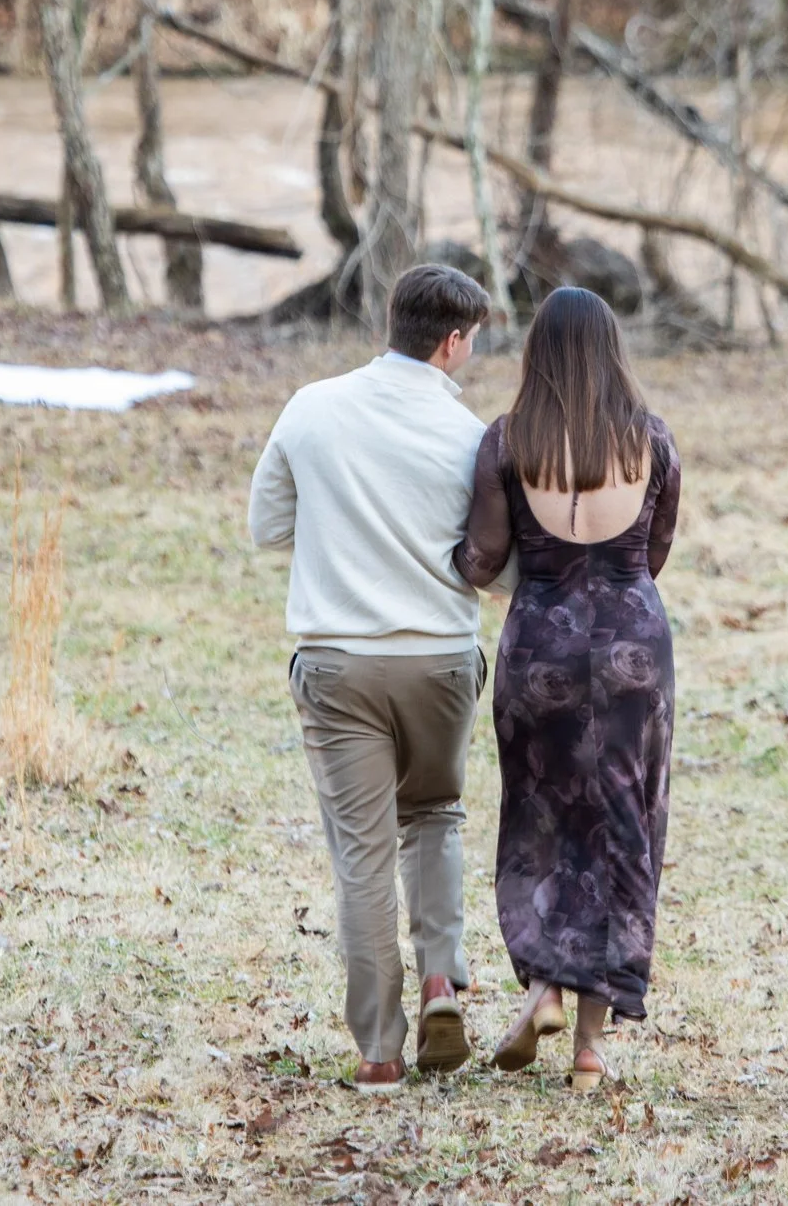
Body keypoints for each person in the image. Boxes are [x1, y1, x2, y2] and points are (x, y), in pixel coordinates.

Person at [248, 263, 496, 1093]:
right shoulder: (472, 438)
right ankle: (440, 976)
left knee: (362, 855)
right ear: (453, 341)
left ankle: (380, 1052)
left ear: (392, 320)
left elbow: (266, 524)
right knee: (435, 813)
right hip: (440, 659)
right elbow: (491, 564)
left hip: (337, 661)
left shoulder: (312, 406)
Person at [454, 286, 680, 1093]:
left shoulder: (507, 442)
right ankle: (589, 1046)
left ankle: (545, 984)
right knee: (623, 825)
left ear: (537, 354)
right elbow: (651, 555)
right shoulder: (652, 440)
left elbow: (480, 560)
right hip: (633, 657)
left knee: (543, 818)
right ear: (613, 350)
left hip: (539, 650)